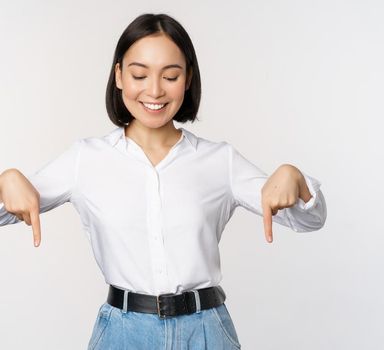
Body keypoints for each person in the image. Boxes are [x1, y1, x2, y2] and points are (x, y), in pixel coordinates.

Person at [0, 13, 327, 349]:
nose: (154, 90)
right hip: (122, 334)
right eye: (139, 74)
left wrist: (295, 178)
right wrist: (5, 181)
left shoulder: (220, 161)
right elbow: (10, 206)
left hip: (206, 333)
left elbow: (310, 219)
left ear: (187, 79)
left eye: (170, 75)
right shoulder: (86, 159)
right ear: (118, 76)